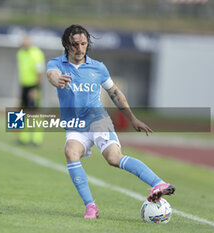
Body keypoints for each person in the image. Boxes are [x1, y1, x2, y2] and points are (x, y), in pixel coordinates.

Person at [46, 25, 175, 219]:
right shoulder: (57, 64)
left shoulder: (98, 67)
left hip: (98, 120)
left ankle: (159, 183)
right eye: (75, 45)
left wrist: (132, 118)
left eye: (83, 44)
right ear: (66, 44)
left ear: (87, 43)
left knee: (114, 158)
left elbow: (114, 92)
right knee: (71, 152)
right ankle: (91, 207)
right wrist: (57, 80)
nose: (80, 48)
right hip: (76, 126)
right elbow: (51, 74)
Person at [16, 35, 45, 146]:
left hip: (33, 86)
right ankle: (24, 138)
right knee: (23, 112)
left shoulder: (36, 54)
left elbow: (39, 73)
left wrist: (36, 89)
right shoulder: (20, 53)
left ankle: (37, 139)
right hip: (24, 85)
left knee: (35, 112)